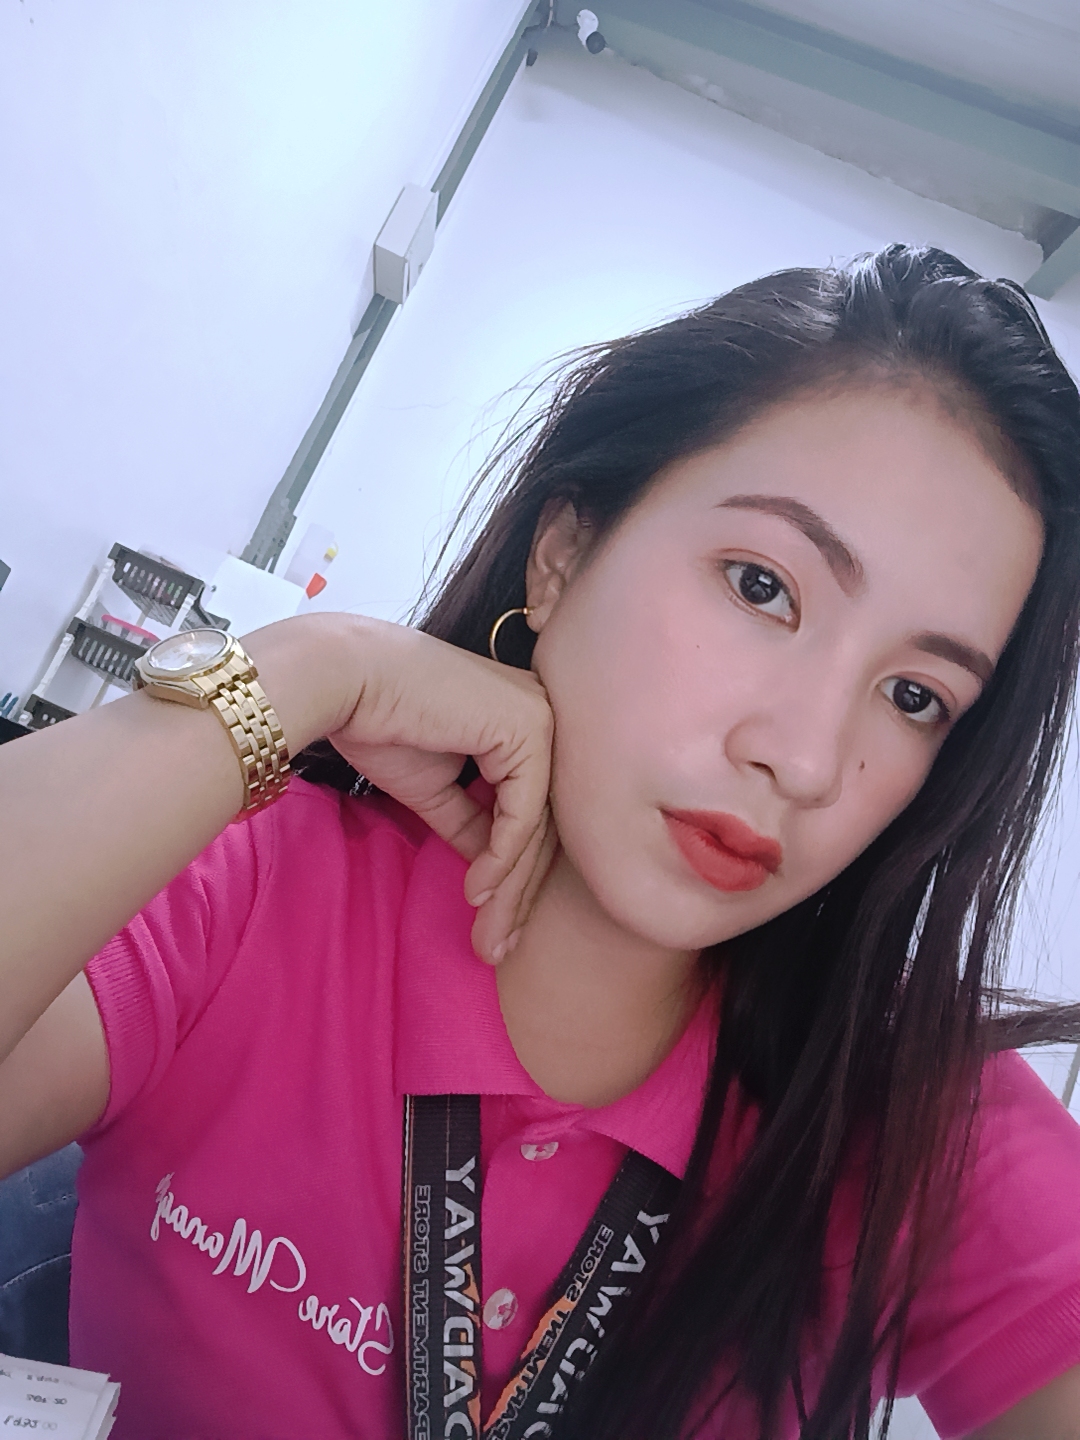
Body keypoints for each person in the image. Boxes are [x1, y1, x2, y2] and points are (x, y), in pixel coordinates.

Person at [1, 245, 1080, 1440]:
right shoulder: (258, 890)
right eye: (761, 586)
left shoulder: (906, 1119)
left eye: (916, 696)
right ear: (563, 555)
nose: (807, 760)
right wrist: (311, 667)